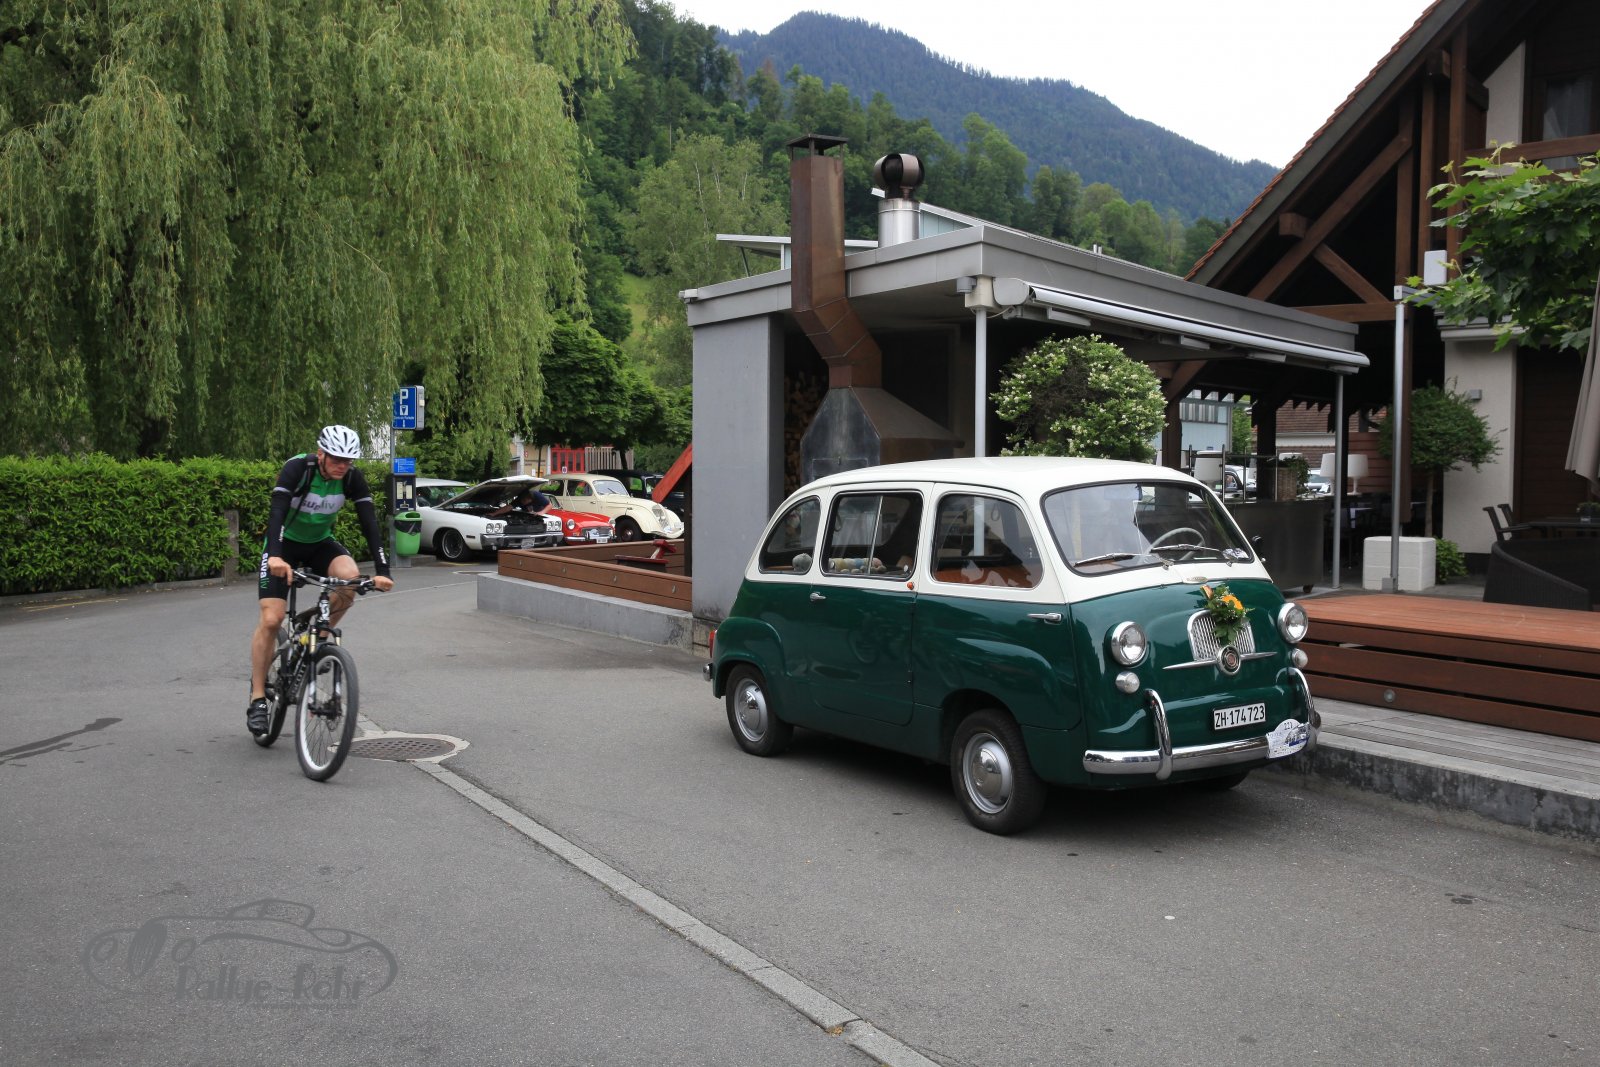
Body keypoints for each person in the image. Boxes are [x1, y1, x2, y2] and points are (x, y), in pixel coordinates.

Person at [246, 425, 394, 736]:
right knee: (272, 619)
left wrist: (383, 570)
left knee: (351, 580)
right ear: (321, 454)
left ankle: (319, 638)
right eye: (337, 459)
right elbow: (277, 513)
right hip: (284, 545)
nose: (342, 466)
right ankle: (258, 697)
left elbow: (369, 522)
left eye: (348, 461)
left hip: (319, 543)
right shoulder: (298, 469)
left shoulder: (351, 478)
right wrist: (275, 556)